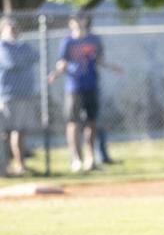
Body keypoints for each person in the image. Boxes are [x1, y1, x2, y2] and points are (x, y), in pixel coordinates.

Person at [48, 14, 122, 172]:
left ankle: (91, 158)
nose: (78, 23)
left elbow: (100, 59)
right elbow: (62, 62)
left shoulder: (94, 40)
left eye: (81, 19)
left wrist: (111, 67)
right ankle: (76, 159)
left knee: (92, 122)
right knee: (73, 122)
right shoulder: (67, 42)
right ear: (70, 23)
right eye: (75, 20)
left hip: (91, 85)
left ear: (85, 21)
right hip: (74, 86)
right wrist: (56, 72)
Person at [0, 17, 39, 176]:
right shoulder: (2, 46)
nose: (15, 32)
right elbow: (11, 62)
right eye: (11, 29)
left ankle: (20, 164)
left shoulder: (23, 45)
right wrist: (24, 58)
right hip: (9, 95)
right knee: (9, 131)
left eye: (16, 29)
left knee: (21, 131)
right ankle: (8, 166)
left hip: (26, 94)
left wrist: (21, 56)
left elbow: (36, 56)